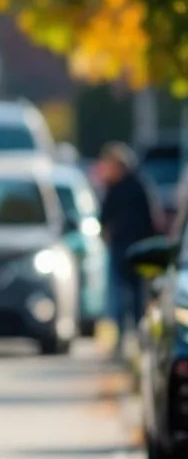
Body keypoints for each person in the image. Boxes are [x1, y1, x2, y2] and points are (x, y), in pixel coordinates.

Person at [95, 141, 160, 358]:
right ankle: (124, 342)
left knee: (132, 297)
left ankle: (137, 342)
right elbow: (104, 219)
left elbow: (148, 221)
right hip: (122, 248)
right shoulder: (120, 187)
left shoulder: (133, 187)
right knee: (122, 297)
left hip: (133, 249)